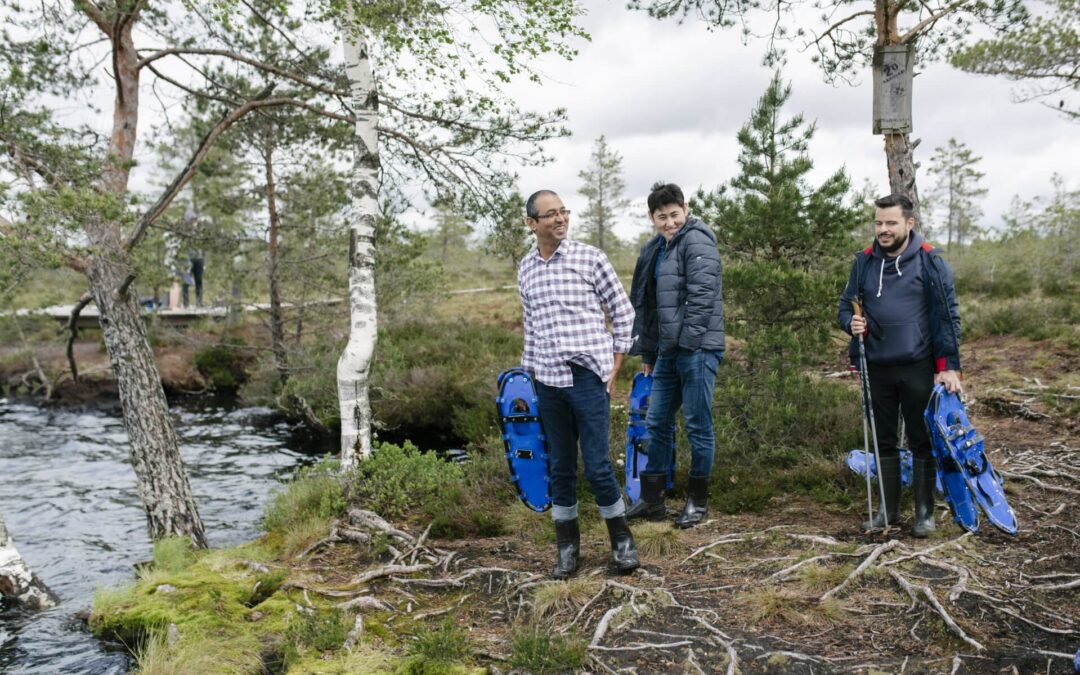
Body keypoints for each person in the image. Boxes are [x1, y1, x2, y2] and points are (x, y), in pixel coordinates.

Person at [518, 189, 639, 579]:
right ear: (532, 223)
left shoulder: (590, 258)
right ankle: (567, 550)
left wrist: (615, 368)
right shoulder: (527, 268)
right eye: (550, 214)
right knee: (561, 467)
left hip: (588, 378)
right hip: (548, 383)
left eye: (564, 212)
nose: (560, 219)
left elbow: (623, 312)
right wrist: (529, 378)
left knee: (599, 466)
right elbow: (530, 327)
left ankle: (622, 543)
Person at [838, 193, 963, 537]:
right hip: (876, 366)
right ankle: (887, 511)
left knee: (922, 439)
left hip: (918, 365)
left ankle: (924, 513)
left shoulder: (930, 261)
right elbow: (844, 307)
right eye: (878, 223)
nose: (883, 229)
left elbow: (947, 317)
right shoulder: (863, 262)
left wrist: (948, 366)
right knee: (883, 440)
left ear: (910, 223)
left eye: (891, 222)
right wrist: (851, 323)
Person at [626, 182, 724, 529]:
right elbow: (650, 304)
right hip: (668, 351)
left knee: (698, 425)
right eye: (662, 217)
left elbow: (702, 294)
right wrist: (649, 351)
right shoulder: (656, 249)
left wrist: (690, 342)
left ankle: (698, 501)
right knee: (657, 422)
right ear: (652, 218)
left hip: (696, 349)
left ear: (685, 208)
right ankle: (652, 501)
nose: (670, 222)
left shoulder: (697, 240)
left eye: (674, 215)